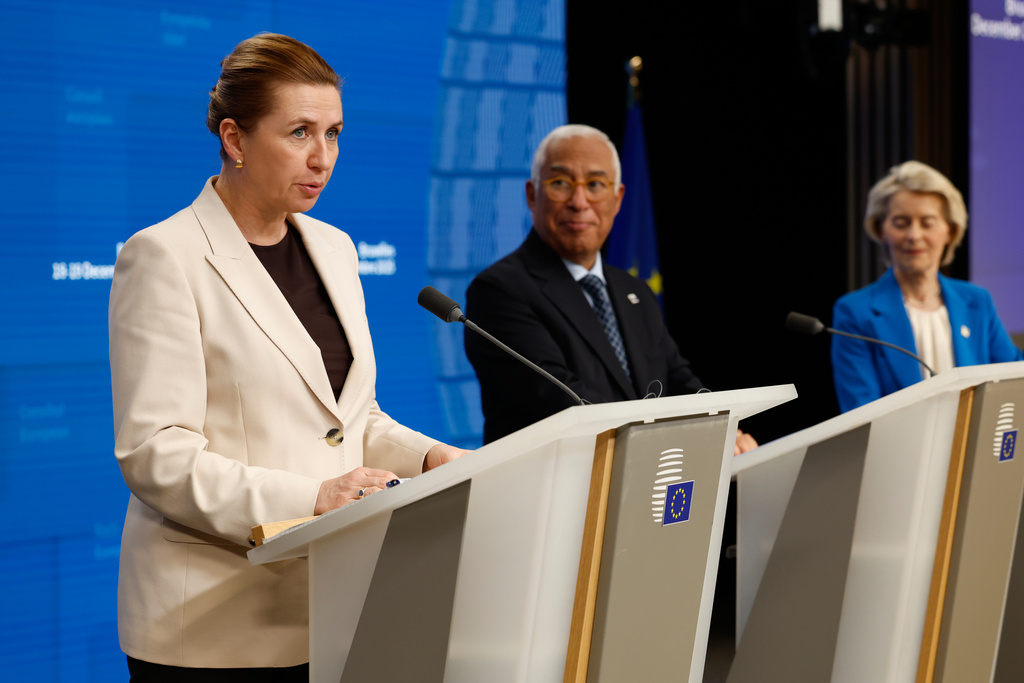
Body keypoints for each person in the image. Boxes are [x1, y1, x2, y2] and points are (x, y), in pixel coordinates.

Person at [108, 34, 465, 681]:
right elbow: (156, 454)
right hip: (213, 623)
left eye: (333, 133)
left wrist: (431, 457)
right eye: (299, 132)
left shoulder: (334, 248)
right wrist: (316, 496)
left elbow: (349, 418)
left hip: (332, 606)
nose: (322, 157)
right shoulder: (163, 256)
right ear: (234, 139)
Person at [463, 124, 757, 452]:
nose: (579, 201)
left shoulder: (634, 290)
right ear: (533, 195)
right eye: (560, 183)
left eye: (596, 185)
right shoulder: (499, 291)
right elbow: (562, 402)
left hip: (645, 486)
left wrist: (722, 427)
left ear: (617, 199)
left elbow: (677, 378)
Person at [832, 160, 1022, 412]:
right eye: (901, 223)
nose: (914, 235)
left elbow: (1014, 375)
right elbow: (861, 411)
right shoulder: (855, 311)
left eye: (927, 222)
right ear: (881, 230)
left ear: (950, 231)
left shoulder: (976, 301)